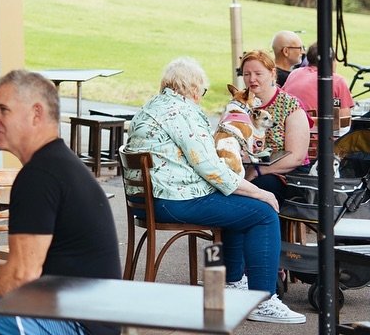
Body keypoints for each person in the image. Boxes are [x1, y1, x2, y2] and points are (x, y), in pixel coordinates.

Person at [0, 70, 123, 335]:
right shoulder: (54, 165)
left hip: (77, 322)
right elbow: (20, 269)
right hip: (65, 307)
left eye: (3, 110)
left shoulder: (39, 176)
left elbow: (23, 274)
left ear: (36, 114)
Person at [123, 58, 304, 324]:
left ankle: (232, 282)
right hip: (175, 199)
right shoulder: (181, 112)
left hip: (152, 199)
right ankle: (263, 300)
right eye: (202, 91)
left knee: (239, 205)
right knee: (263, 211)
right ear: (193, 87)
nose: (201, 97)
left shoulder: (152, 106)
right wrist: (258, 192)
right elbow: (210, 168)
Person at [239, 49, 311, 202]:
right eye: (246, 74)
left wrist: (258, 170)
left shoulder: (290, 105)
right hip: (245, 170)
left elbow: (296, 157)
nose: (252, 79)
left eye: (258, 74)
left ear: (272, 73)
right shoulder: (239, 104)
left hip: (285, 174)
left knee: (257, 190)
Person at [283, 43, 354, 130]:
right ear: (330, 61)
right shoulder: (336, 80)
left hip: (291, 132)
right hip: (321, 138)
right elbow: (345, 122)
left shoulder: (294, 73)